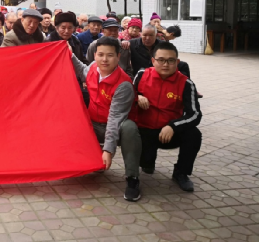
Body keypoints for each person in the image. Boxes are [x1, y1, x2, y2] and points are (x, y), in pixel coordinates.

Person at [70, 37, 142, 202]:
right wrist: (69, 54)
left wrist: (108, 151)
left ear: (118, 57)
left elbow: (115, 119)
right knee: (69, 120)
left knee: (130, 129)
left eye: (110, 55)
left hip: (116, 127)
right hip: (93, 123)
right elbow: (81, 69)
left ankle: (132, 179)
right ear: (95, 55)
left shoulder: (123, 84)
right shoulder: (92, 69)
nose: (104, 59)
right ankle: (88, 163)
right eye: (100, 54)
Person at [134, 43, 202, 192]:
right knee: (146, 163)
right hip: (145, 130)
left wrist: (173, 126)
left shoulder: (186, 83)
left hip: (169, 133)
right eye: (161, 60)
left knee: (194, 134)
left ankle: (181, 172)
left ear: (177, 62)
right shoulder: (141, 75)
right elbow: (128, 96)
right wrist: (137, 97)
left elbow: (195, 114)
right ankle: (146, 163)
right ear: (153, 61)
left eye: (170, 60)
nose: (165, 64)